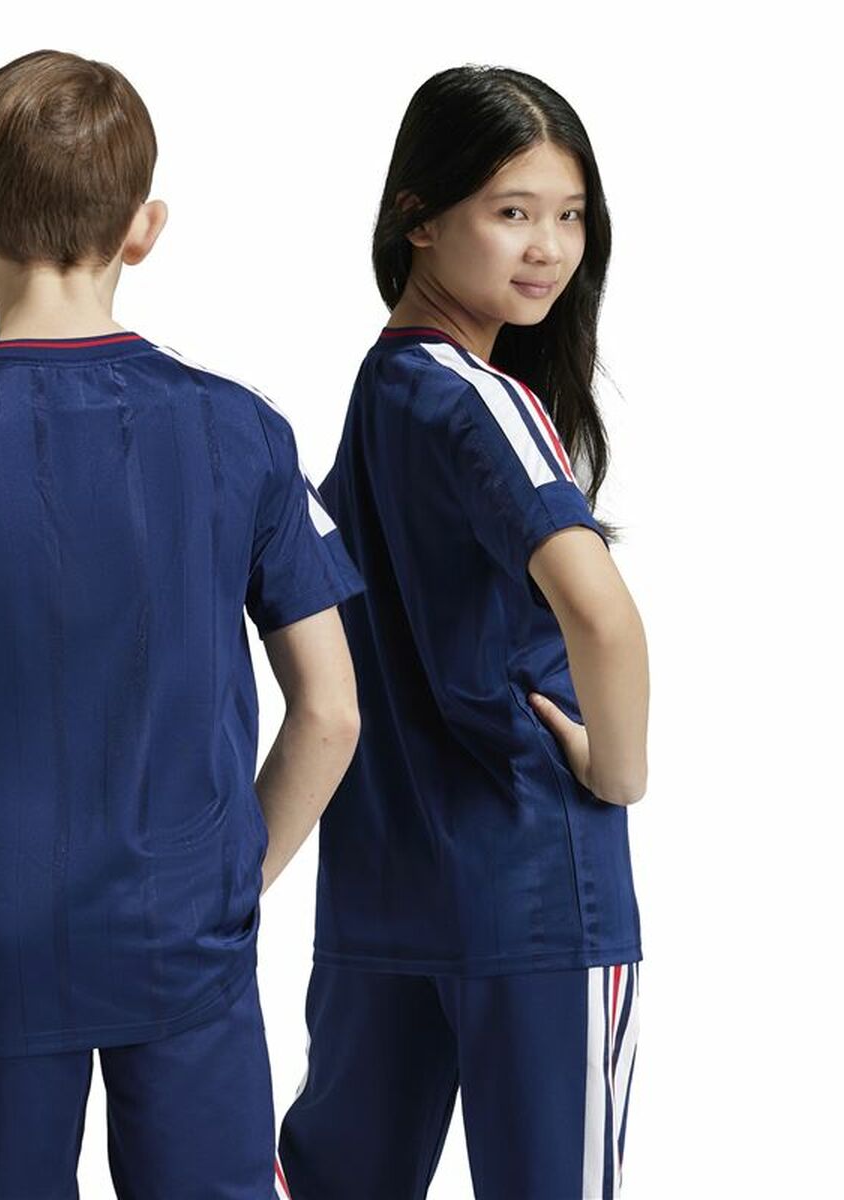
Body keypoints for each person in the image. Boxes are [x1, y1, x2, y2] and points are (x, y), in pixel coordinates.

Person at [0, 49, 364, 1200]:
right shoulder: (244, 431)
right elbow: (332, 713)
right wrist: (230, 884)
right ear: (145, 229)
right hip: (183, 927)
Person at [274, 65, 649, 1200]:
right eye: (512, 211)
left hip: (382, 883)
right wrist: (619, 772)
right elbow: (604, 614)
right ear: (419, 218)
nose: (549, 248)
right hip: (532, 889)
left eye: (570, 216)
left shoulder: (378, 394)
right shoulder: (476, 397)